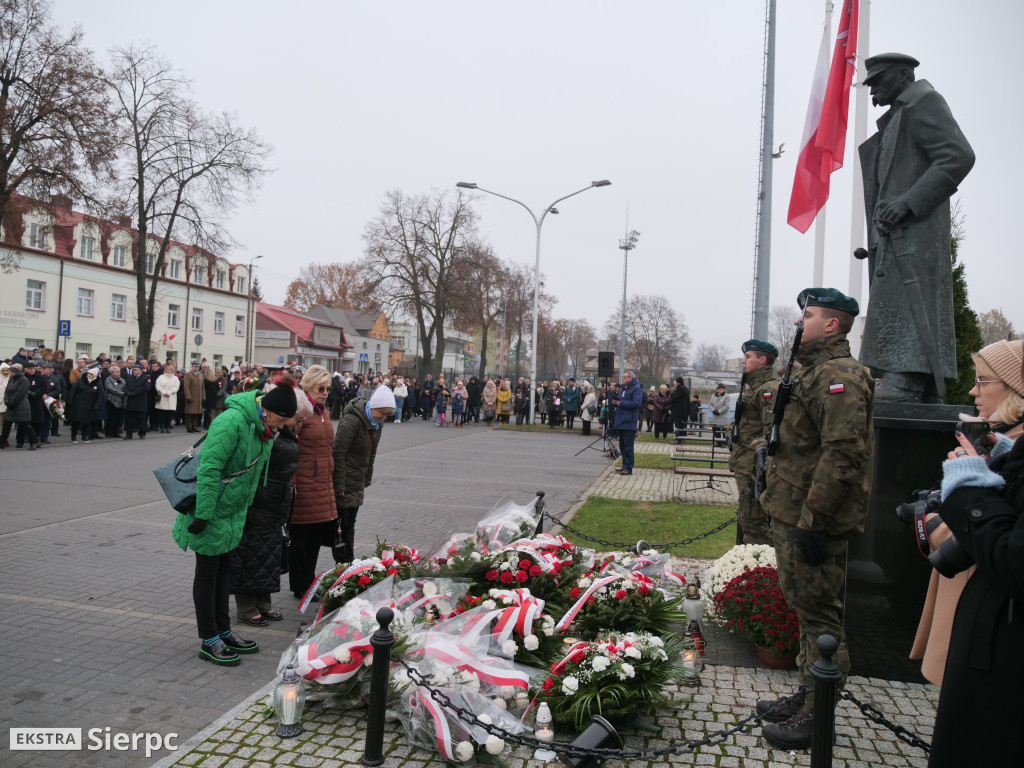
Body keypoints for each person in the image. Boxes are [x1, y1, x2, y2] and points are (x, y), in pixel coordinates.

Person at [757, 288, 874, 750]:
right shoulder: (813, 371)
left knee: (822, 617)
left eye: (807, 316)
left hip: (813, 519)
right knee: (806, 611)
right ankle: (809, 691)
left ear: (832, 324)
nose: (798, 323)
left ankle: (818, 713)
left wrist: (813, 519)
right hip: (792, 510)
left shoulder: (840, 374)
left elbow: (843, 452)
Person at [923, 341, 1024, 767]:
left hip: (1003, 652)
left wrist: (971, 488)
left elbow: (1013, 560)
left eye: (983, 380)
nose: (973, 391)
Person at [858, 53, 976, 403]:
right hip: (894, 232)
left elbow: (958, 155)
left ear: (904, 74)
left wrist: (908, 203)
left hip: (915, 228)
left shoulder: (924, 101)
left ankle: (907, 380)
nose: (873, 90)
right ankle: (913, 383)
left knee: (912, 300)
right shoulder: (896, 116)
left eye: (879, 81)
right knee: (897, 300)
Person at [172, 377, 292, 666]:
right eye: (281, 419)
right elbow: (210, 468)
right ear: (268, 408)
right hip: (210, 509)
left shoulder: (263, 427)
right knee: (207, 573)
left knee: (225, 572)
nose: (282, 425)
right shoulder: (231, 422)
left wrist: (245, 507)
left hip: (233, 511)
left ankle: (223, 630)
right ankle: (209, 640)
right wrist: (203, 513)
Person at [232, 381, 311, 626]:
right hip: (259, 500)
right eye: (297, 419)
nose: (298, 424)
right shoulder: (269, 432)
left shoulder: (283, 433)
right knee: (251, 553)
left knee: (267, 554)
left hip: (275, 500)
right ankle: (246, 607)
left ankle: (263, 603)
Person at [287, 366, 339, 598]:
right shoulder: (301, 411)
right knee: (301, 538)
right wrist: (294, 481)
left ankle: (309, 580)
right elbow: (289, 447)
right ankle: (301, 584)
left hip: (322, 481)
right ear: (309, 387)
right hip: (304, 483)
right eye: (321, 388)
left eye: (328, 388)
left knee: (316, 536)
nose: (325, 392)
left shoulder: (323, 411)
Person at [332, 385, 395, 565]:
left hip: (357, 479)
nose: (383, 418)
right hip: (344, 481)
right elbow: (338, 452)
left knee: (349, 525)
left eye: (386, 416)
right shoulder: (352, 420)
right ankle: (344, 566)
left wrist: (367, 477)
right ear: (372, 407)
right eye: (381, 414)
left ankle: (348, 564)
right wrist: (339, 485)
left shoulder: (376, 423)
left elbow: (371, 453)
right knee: (342, 529)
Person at [729, 340, 779, 546]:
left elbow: (772, 431)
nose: (743, 361)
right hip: (744, 463)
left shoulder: (769, 390)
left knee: (755, 525)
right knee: (747, 519)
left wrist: (758, 451)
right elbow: (750, 424)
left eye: (748, 357)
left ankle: (761, 570)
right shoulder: (753, 388)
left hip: (754, 468)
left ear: (763, 360)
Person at [612, 371, 643, 475]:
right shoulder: (624, 388)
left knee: (628, 446)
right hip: (621, 419)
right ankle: (624, 465)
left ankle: (629, 467)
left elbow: (636, 403)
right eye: (623, 377)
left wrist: (621, 403)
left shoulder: (636, 388)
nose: (623, 379)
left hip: (629, 421)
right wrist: (617, 403)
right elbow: (622, 400)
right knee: (623, 446)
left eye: (625, 377)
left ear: (630, 378)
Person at [3, 363, 36, 449]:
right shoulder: (12, 379)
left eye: (10, 371)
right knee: (6, 425)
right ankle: (1, 442)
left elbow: (20, 394)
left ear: (15, 371)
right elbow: (7, 390)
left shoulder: (23, 380)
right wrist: (6, 401)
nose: (9, 373)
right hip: (10, 405)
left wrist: (11, 403)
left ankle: (34, 442)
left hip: (21, 406)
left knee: (25, 425)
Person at [70, 368, 102, 443]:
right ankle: (73, 436)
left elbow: (99, 396)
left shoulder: (97, 383)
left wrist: (97, 405)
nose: (89, 375)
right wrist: (70, 402)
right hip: (78, 404)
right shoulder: (80, 381)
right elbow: (73, 391)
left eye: (91, 374)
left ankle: (85, 436)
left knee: (86, 421)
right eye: (88, 373)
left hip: (89, 405)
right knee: (76, 421)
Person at [123, 363, 151, 440]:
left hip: (140, 401)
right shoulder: (130, 378)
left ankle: (142, 433)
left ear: (141, 370)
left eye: (135, 370)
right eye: (133, 370)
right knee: (129, 419)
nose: (134, 371)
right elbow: (125, 386)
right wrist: (127, 392)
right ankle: (129, 434)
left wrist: (134, 393)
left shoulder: (146, 377)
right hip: (131, 401)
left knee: (141, 419)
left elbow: (146, 388)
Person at [155, 363, 180, 433]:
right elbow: (157, 386)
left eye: (170, 369)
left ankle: (168, 426)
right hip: (163, 397)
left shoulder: (175, 378)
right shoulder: (161, 377)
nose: (168, 371)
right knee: (162, 413)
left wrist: (169, 393)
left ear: (172, 370)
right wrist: (163, 392)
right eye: (167, 369)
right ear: (165, 370)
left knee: (170, 413)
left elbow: (176, 387)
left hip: (171, 397)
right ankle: (162, 426)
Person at [104, 365, 127, 437]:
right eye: (116, 372)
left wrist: (124, 393)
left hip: (120, 401)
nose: (118, 373)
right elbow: (110, 388)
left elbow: (125, 387)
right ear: (112, 373)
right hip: (111, 401)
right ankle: (109, 433)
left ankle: (116, 432)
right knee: (111, 417)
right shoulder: (108, 379)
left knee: (118, 418)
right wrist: (120, 393)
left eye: (119, 372)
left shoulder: (122, 380)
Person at [183, 362, 205, 433]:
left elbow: (203, 387)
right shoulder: (188, 375)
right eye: (195, 367)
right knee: (190, 413)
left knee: (196, 413)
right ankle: (189, 427)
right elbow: (186, 387)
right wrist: (188, 397)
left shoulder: (201, 375)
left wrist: (203, 397)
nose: (197, 368)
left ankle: (194, 426)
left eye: (198, 367)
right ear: (192, 367)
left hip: (198, 397)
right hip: (191, 396)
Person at [709, 383, 730, 448]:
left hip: (723, 416)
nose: (721, 390)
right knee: (715, 430)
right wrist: (713, 410)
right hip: (715, 417)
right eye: (720, 388)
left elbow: (727, 406)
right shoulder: (713, 396)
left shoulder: (727, 396)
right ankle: (718, 442)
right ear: (717, 389)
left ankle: (724, 443)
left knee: (724, 430)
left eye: (722, 388)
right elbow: (710, 404)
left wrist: (719, 411)